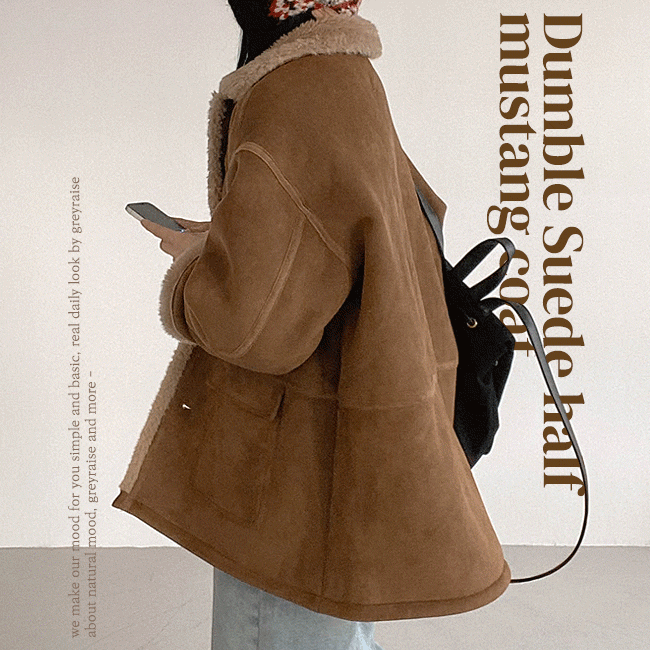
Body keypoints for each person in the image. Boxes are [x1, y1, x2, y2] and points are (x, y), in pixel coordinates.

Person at [112, 1, 511, 648]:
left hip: (294, 469)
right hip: (349, 442)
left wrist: (193, 266)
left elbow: (252, 328)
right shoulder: (345, 70)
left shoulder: (293, 87)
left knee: (276, 630)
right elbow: (345, 227)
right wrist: (237, 235)